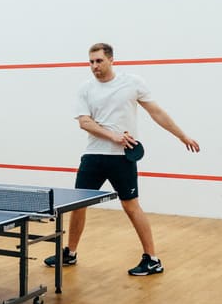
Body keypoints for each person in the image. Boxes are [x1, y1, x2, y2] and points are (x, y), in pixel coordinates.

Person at [44, 42, 200, 277]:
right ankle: (70, 252)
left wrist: (182, 136)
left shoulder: (132, 83)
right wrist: (113, 136)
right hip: (93, 156)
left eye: (99, 61)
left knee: (131, 206)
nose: (94, 66)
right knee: (78, 206)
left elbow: (156, 112)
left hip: (122, 159)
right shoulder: (85, 88)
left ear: (111, 60)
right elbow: (84, 122)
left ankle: (152, 259)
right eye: (91, 62)